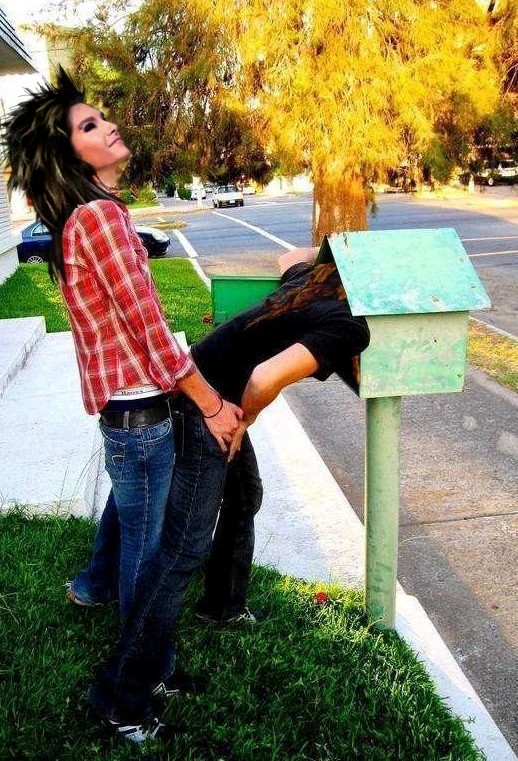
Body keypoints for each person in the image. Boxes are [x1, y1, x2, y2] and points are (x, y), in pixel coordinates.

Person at [88, 245, 370, 742]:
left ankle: (222, 605)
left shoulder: (310, 285)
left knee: (243, 497)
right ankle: (122, 700)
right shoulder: (349, 324)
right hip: (209, 410)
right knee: (181, 553)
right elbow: (263, 378)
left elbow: (293, 255)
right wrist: (244, 420)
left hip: (199, 387)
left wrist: (332, 249)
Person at [0, 67, 241, 623]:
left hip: (123, 408)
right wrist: (210, 404)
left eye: (101, 117)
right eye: (89, 126)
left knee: (129, 505)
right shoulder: (101, 218)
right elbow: (147, 326)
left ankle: (93, 586)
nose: (108, 126)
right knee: (147, 546)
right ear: (70, 157)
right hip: (139, 412)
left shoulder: (86, 217)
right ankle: (139, 661)